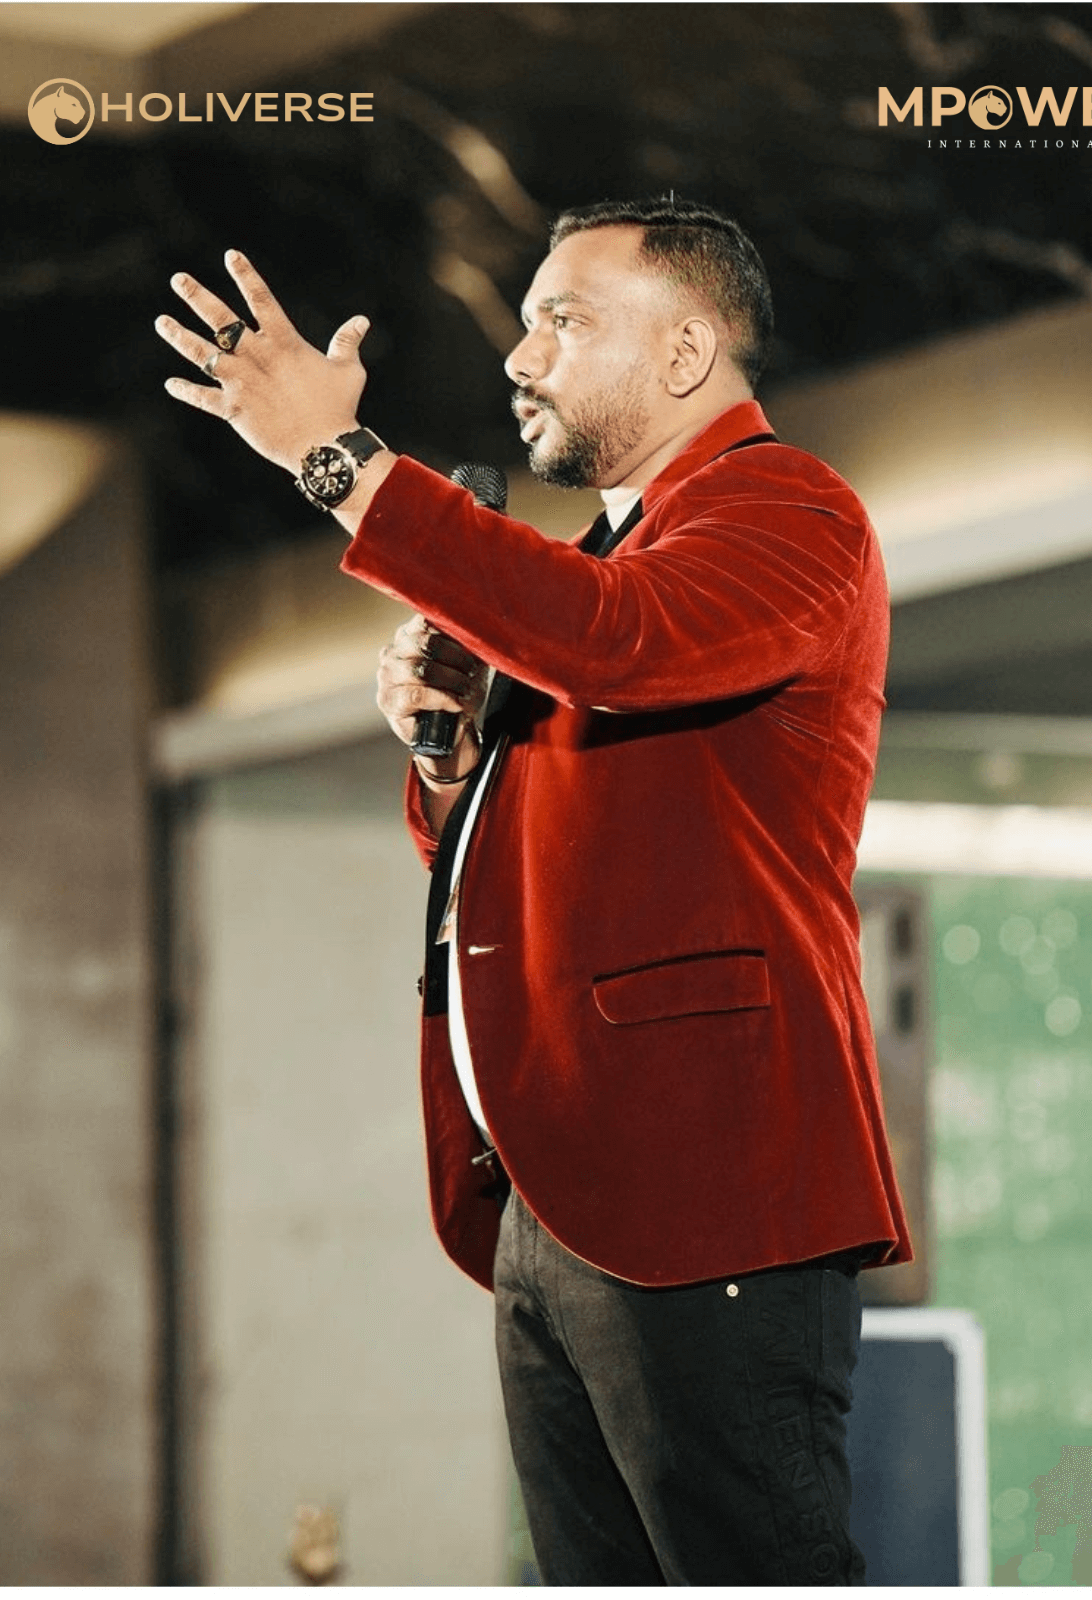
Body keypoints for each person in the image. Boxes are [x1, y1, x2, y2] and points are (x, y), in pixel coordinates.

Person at [157, 197, 911, 1586]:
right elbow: (546, 837)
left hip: (705, 1188)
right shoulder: (599, 570)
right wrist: (449, 754)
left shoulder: (788, 508)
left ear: (686, 351)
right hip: (558, 1202)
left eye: (563, 319)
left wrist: (342, 461)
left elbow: (618, 645)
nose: (519, 355)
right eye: (523, 322)